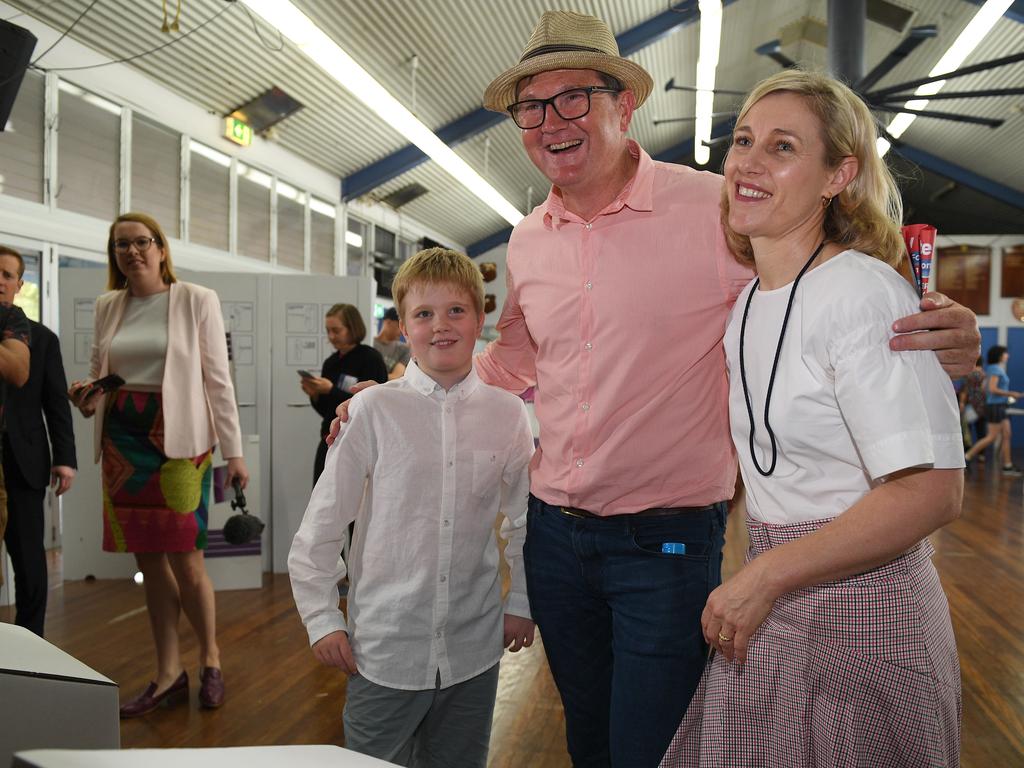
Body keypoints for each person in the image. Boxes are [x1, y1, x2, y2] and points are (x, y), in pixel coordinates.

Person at [333, 12, 979, 766]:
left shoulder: (718, 208)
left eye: (574, 98)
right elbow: (507, 358)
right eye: (531, 107)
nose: (551, 122)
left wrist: (937, 321)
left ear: (623, 104)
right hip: (557, 539)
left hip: (666, 541)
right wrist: (393, 392)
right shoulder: (528, 236)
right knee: (589, 736)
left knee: (654, 746)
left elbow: (833, 279)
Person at [661, 69, 962, 766]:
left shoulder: (861, 291)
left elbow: (932, 489)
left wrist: (764, 577)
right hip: (783, 590)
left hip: (865, 605)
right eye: (743, 141)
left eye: (783, 147)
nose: (749, 162)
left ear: (838, 176)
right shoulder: (751, 302)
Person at [289, 248, 536, 768]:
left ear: (479, 319)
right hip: (385, 649)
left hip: (474, 647)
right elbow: (323, 524)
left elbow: (526, 520)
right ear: (403, 325)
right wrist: (320, 618)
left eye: (455, 311)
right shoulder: (374, 410)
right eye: (423, 314)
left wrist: (522, 604)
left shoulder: (508, 414)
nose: (440, 326)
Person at [68, 212, 249, 718]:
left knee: (188, 561)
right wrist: (85, 396)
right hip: (123, 440)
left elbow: (218, 380)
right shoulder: (108, 305)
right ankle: (168, 672)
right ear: (114, 255)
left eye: (142, 242)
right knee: (148, 563)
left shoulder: (195, 299)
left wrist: (234, 452)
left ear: (161, 248)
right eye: (121, 245)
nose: (133, 252)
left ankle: (210, 659)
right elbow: (96, 372)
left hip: (181, 441)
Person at [0, 246, 76, 637]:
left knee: (30, 562)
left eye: (6, 274)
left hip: (23, 461)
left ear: (18, 284)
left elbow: (56, 402)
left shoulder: (43, 339)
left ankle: (32, 644)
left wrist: (66, 459)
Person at [301, 303, 387, 486]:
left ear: (352, 328)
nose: (331, 336)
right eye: (328, 331)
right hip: (329, 440)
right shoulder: (330, 363)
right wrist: (315, 395)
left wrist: (331, 390)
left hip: (357, 444)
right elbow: (327, 410)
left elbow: (372, 405)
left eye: (336, 330)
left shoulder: (370, 358)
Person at [0, 251, 30, 587]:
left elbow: (18, 370)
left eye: (7, 275)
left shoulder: (13, 319)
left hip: (17, 457)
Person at [965, 345, 1022, 474]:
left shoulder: (991, 369)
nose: (1007, 355)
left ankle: (1007, 465)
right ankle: (967, 456)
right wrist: (1011, 393)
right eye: (1005, 353)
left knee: (1007, 435)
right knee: (991, 436)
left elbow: (986, 389)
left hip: (1000, 406)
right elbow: (992, 389)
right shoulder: (996, 369)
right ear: (999, 355)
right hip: (996, 407)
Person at [373, 306, 411, 380]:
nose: (402, 331)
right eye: (399, 326)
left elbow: (396, 377)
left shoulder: (403, 349)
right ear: (388, 322)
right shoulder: (369, 343)